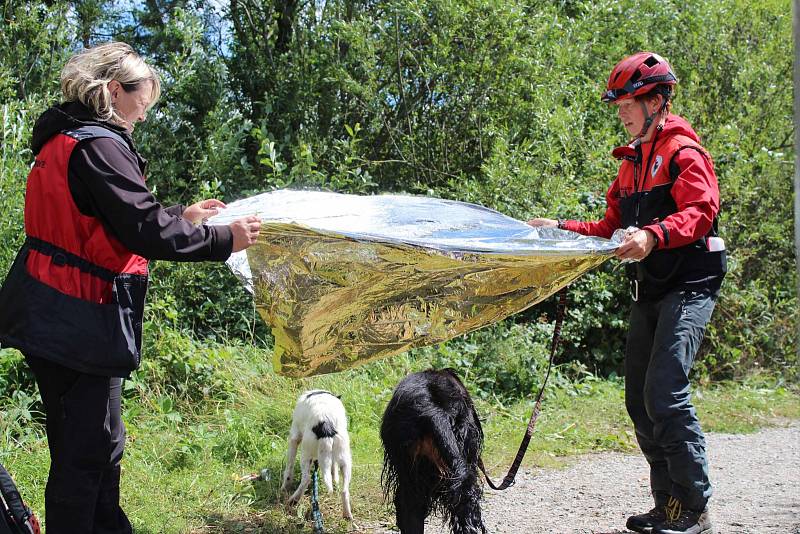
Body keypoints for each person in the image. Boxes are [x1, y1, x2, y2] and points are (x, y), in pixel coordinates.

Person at [0, 42, 261, 534]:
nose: (143, 117)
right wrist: (225, 239)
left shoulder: (69, 139)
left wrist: (181, 219)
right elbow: (143, 229)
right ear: (116, 91)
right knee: (86, 456)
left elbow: (110, 226)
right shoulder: (100, 145)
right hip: (77, 319)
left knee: (96, 446)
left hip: (56, 313)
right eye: (142, 104)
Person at [528, 52, 726, 534]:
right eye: (618, 104)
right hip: (652, 287)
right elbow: (609, 229)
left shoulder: (683, 152)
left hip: (691, 282)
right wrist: (560, 228)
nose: (621, 112)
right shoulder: (630, 164)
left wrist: (654, 235)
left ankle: (695, 507)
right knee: (639, 399)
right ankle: (668, 506)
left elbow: (702, 210)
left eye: (628, 102)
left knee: (665, 392)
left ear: (656, 100)